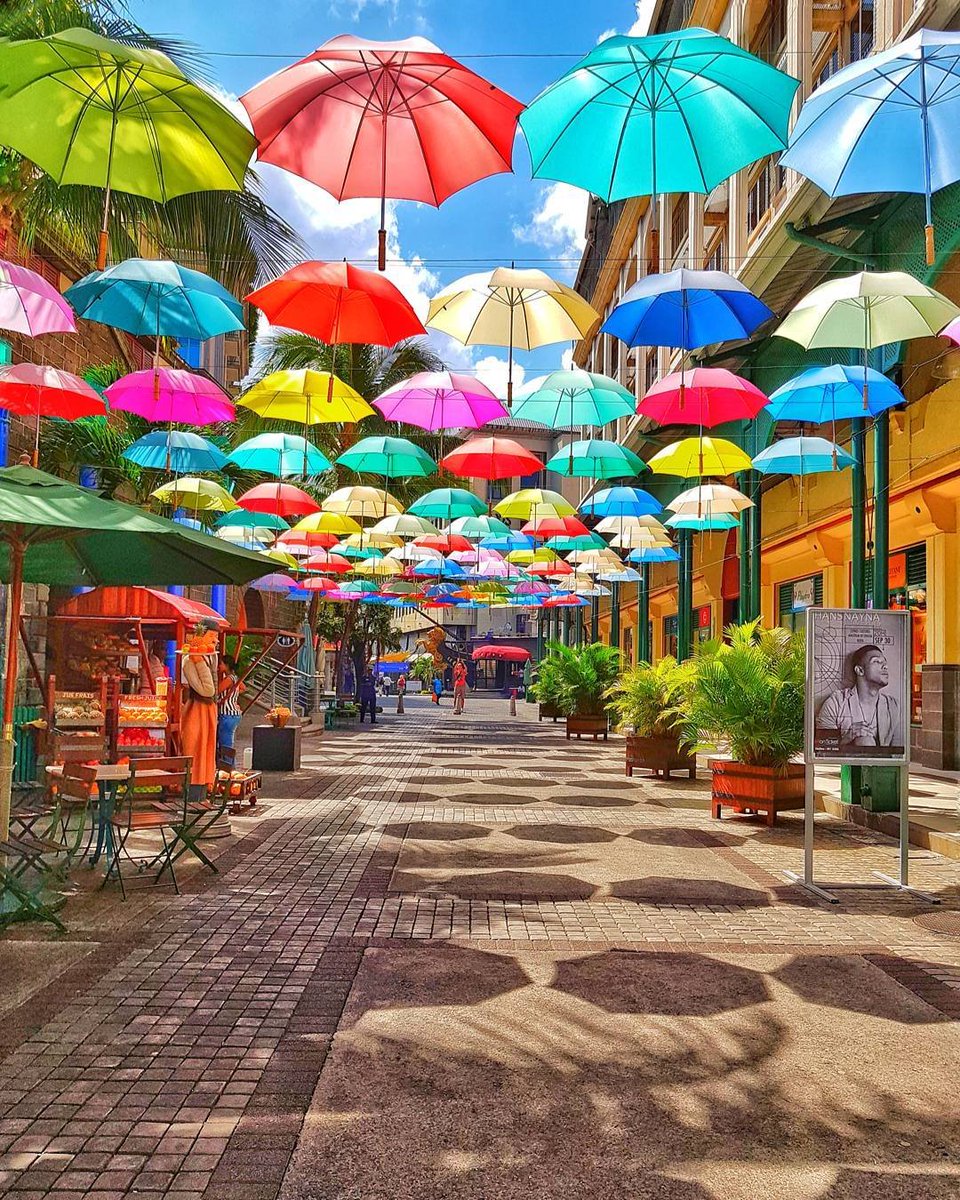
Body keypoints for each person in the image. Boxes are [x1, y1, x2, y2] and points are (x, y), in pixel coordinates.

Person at [817, 644, 902, 749]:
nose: (885, 666)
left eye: (885, 662)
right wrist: (847, 738)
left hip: (882, 761)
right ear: (860, 670)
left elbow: (899, 751)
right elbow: (823, 746)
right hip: (846, 760)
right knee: (864, 740)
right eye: (876, 661)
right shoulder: (836, 703)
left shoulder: (894, 706)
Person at [216, 657, 244, 768]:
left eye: (221, 664)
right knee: (227, 742)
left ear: (227, 665)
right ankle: (230, 767)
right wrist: (233, 697)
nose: (219, 666)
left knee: (225, 743)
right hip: (233, 713)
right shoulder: (235, 678)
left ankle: (229, 768)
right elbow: (243, 688)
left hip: (227, 714)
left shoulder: (228, 679)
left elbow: (216, 691)